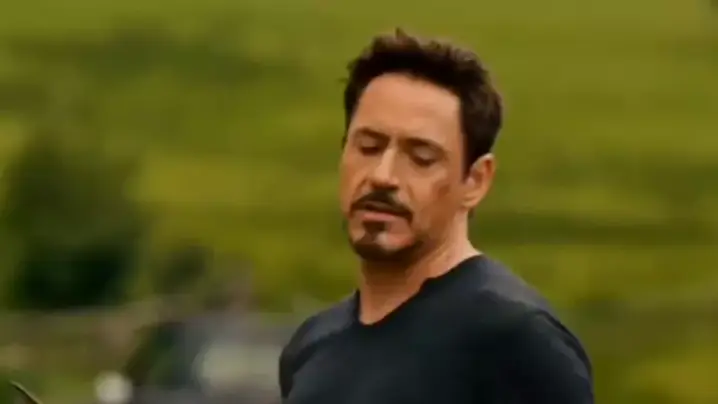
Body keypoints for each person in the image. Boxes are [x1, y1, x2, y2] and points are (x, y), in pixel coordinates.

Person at [278, 28, 594, 404]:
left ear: (475, 180)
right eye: (368, 147)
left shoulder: (516, 340)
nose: (383, 176)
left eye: (421, 157)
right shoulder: (311, 346)